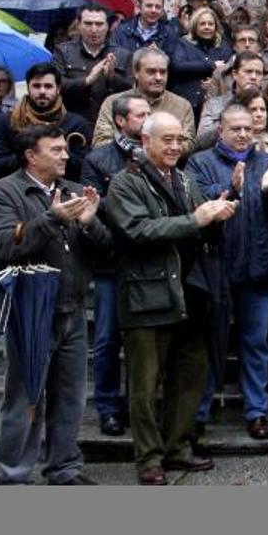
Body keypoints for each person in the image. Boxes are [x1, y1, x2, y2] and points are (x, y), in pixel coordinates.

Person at [104, 112, 237, 484]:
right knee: (145, 385)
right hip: (147, 295)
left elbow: (199, 230)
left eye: (181, 139)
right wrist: (196, 219)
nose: (176, 146)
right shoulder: (124, 183)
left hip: (190, 291)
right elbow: (137, 231)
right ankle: (148, 458)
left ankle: (177, 447)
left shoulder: (185, 178)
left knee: (189, 376)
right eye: (168, 139)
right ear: (145, 142)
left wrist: (218, 214)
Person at [0, 124, 112, 484]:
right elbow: (3, 247)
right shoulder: (2, 193)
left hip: (72, 308)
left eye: (64, 149)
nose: (65, 155)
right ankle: (13, 474)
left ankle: (64, 467)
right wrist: (50, 219)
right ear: (31, 155)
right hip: (29, 313)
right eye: (55, 150)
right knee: (25, 398)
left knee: (71, 397)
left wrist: (90, 225)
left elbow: (106, 251)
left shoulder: (73, 191)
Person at [186, 104, 268, 441]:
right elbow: (199, 204)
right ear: (221, 130)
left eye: (248, 128)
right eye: (236, 128)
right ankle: (198, 413)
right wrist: (232, 189)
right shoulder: (200, 162)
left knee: (256, 342)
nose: (244, 134)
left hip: (258, 267)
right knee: (209, 344)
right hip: (215, 267)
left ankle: (256, 412)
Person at [81, 93, 151, 436]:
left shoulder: (158, 153)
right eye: (140, 115)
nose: (146, 119)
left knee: (146, 339)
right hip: (111, 261)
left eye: (149, 114)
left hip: (148, 259)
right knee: (108, 338)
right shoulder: (98, 160)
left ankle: (143, 404)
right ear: (121, 121)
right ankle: (108, 406)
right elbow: (94, 207)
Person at [0, 63, 92, 183]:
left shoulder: (76, 124)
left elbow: (84, 170)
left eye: (48, 86)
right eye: (36, 86)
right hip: (17, 192)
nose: (42, 91)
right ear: (28, 88)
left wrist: (60, 150)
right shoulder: (9, 121)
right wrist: (33, 150)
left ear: (58, 89)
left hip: (62, 191)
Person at [92, 46, 196, 149]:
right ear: (136, 73)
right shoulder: (113, 102)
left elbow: (188, 144)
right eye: (151, 72)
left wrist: (156, 151)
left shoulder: (182, 106)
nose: (158, 78)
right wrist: (137, 153)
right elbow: (101, 142)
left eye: (163, 72)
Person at [53, 3, 133, 128]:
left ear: (108, 26)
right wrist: (86, 81)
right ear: (79, 25)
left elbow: (133, 91)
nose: (94, 29)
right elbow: (55, 86)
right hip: (73, 123)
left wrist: (113, 78)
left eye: (99, 24)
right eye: (88, 24)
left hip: (111, 124)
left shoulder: (123, 54)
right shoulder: (63, 51)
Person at [196, 51, 268, 149]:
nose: (253, 77)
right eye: (248, 72)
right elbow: (201, 142)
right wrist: (235, 108)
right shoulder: (215, 104)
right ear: (234, 74)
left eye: (258, 73)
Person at [172, 6, 233, 114]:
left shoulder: (223, 46)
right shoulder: (183, 43)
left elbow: (228, 69)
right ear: (195, 26)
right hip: (186, 104)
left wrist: (214, 81)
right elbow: (178, 66)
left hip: (214, 106)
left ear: (216, 26)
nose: (207, 27)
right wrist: (211, 65)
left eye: (210, 24)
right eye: (202, 24)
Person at [111, 0, 180, 55]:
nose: (153, 10)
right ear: (139, 7)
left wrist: (160, 57)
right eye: (149, 6)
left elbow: (175, 62)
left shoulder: (169, 34)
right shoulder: (122, 31)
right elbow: (116, 60)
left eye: (158, 7)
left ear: (162, 10)